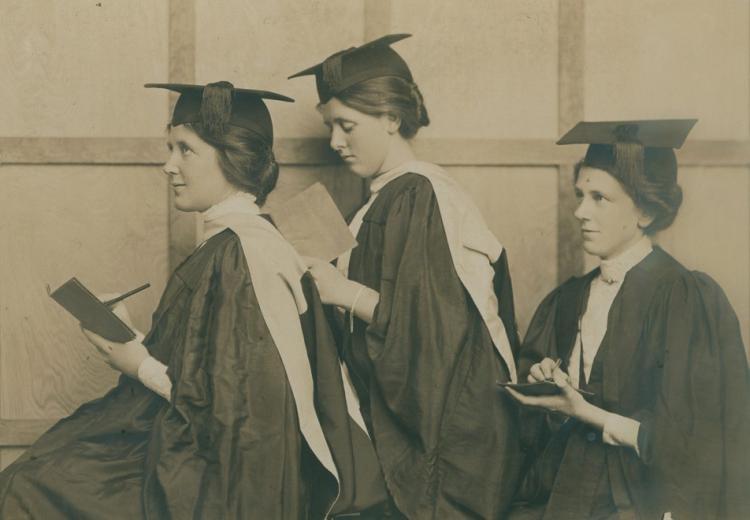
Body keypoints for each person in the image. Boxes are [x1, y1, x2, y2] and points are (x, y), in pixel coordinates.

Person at [0, 81, 382, 519]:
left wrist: (137, 362)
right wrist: (135, 342)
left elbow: (238, 416)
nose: (168, 165)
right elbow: (212, 376)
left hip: (230, 479)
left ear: (232, 156)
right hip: (205, 449)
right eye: (170, 148)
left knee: (30, 488)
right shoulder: (231, 243)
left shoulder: (244, 254)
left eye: (185, 150)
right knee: (46, 469)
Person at [289, 34, 522, 519]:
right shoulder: (382, 200)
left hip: (451, 444)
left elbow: (436, 335)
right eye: (330, 125)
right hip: (420, 427)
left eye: (346, 125)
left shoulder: (419, 195)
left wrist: (344, 292)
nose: (335, 142)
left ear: (392, 118)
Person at [506, 119, 750, 520]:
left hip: (640, 500)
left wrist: (583, 410)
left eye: (600, 198)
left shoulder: (685, 298)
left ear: (646, 211)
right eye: (580, 195)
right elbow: (531, 432)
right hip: (565, 489)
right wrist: (549, 387)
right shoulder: (569, 298)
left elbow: (689, 446)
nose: (580, 212)